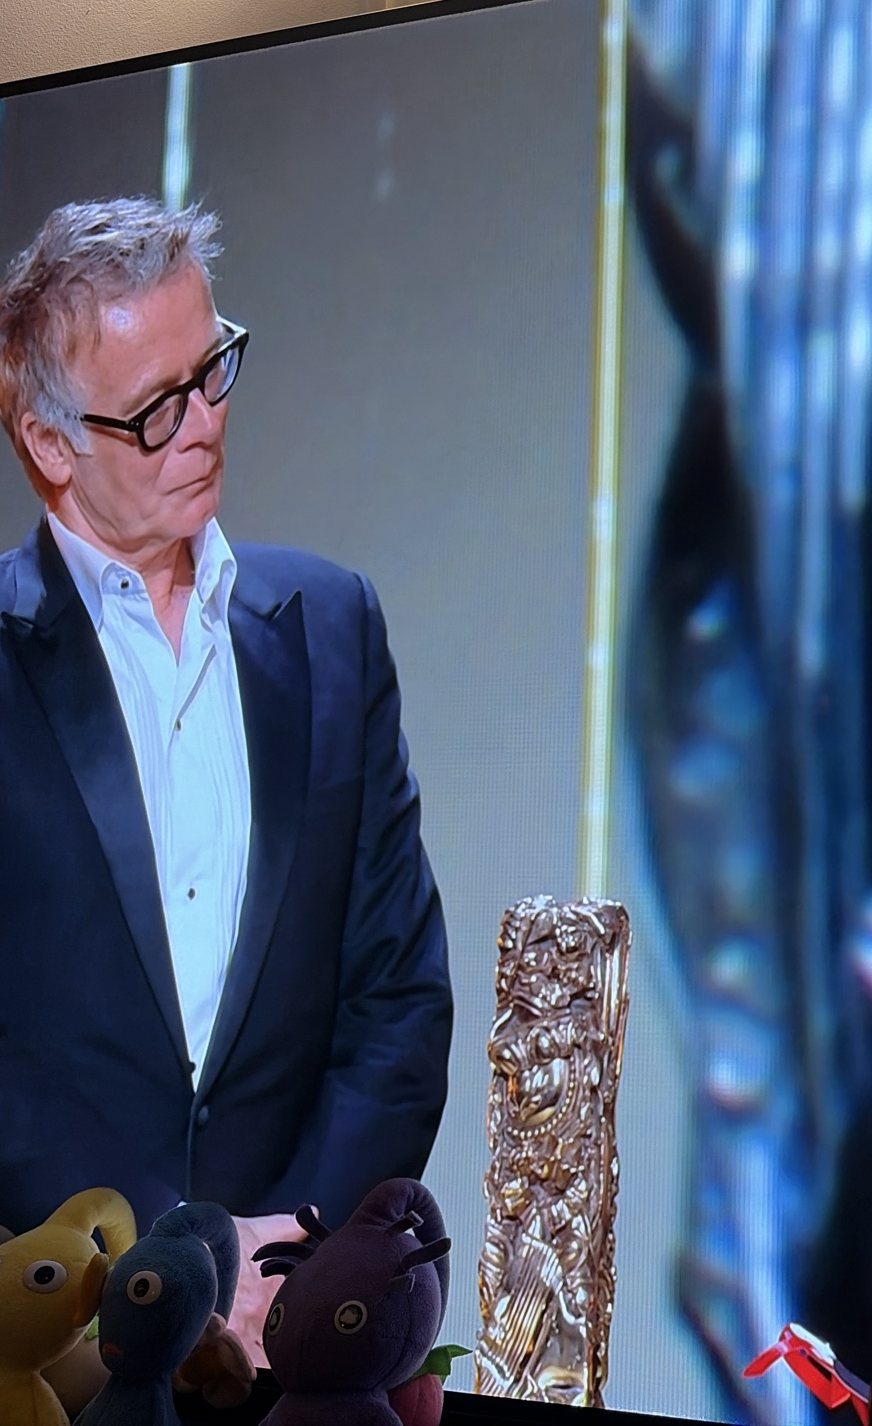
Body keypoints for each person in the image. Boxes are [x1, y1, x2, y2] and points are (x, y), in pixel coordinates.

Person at [0, 198, 453, 1360]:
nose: (203, 424)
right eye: (157, 407)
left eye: (213, 372)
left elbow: (397, 998)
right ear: (49, 444)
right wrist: (169, 1267)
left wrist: (296, 1251)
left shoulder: (333, 627)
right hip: (52, 1349)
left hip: (294, 1344)